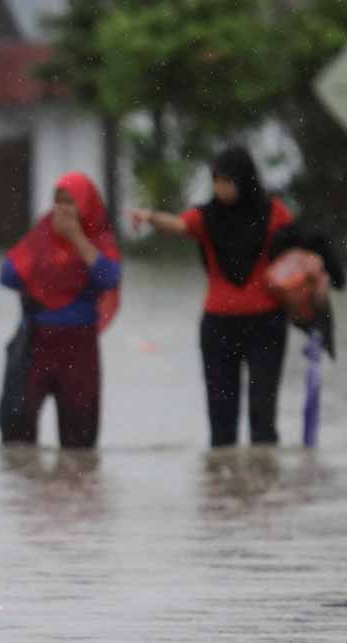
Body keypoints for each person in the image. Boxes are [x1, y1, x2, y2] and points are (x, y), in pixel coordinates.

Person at [132, 147, 295, 447]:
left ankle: (266, 485)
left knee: (263, 417)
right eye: (216, 181)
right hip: (219, 328)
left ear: (244, 180)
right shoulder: (208, 217)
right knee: (221, 425)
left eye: (226, 181)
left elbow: (298, 250)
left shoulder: (274, 214)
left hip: (267, 326)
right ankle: (222, 488)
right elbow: (179, 224)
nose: (220, 188)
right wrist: (150, 217)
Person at [0, 172, 122, 448]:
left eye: (71, 202)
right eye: (58, 201)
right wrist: (45, 265)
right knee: (18, 439)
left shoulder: (99, 241)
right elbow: (7, 274)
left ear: (86, 206)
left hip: (78, 350)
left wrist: (77, 240)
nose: (63, 209)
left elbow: (109, 278)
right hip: (35, 346)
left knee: (80, 445)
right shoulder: (42, 236)